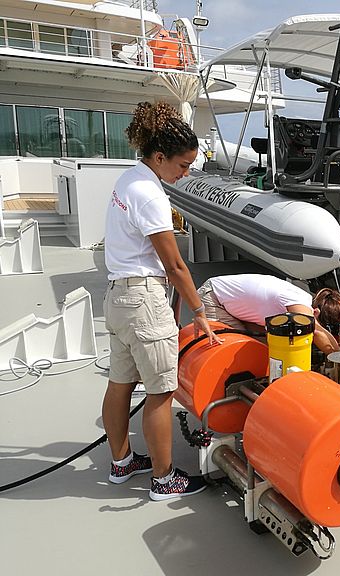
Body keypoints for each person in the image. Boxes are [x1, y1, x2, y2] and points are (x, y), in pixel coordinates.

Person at [102, 101, 222, 501]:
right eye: (183, 165)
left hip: (117, 297)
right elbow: (175, 266)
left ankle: (122, 463)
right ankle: (164, 478)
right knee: (160, 392)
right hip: (142, 300)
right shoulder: (151, 196)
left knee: (120, 384)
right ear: (159, 156)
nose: (185, 173)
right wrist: (200, 313)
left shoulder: (126, 180)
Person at [197, 275, 340, 355]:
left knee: (266, 343)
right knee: (247, 351)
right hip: (214, 298)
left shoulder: (299, 297)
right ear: (315, 312)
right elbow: (316, 331)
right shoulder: (299, 302)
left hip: (229, 300)